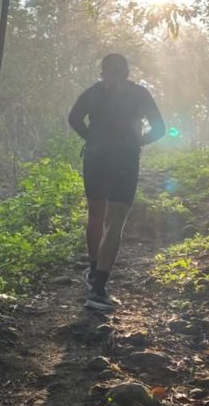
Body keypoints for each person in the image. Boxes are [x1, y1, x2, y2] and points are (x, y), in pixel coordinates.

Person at [68, 53, 165, 311]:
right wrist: (139, 141)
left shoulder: (93, 92)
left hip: (96, 158)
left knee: (96, 216)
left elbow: (73, 118)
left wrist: (91, 138)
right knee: (115, 222)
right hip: (125, 159)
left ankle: (92, 271)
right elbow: (160, 129)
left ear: (102, 72)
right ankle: (99, 287)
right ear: (127, 72)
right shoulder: (140, 94)